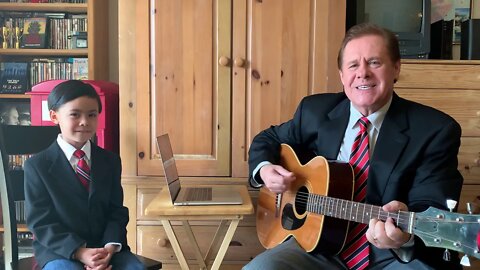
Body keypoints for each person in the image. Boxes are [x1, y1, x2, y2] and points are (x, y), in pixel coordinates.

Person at [245, 23, 463, 270]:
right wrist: (264, 169)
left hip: (392, 254)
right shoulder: (315, 111)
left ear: (396, 68)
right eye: (353, 65)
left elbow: (431, 204)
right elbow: (268, 139)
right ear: (342, 75)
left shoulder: (435, 130)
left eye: (374, 63)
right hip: (317, 246)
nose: (363, 73)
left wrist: (404, 237)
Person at [24, 80, 145, 270]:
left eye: (92, 115)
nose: (84, 122)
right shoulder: (37, 166)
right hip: (60, 250)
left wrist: (108, 249)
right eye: (75, 114)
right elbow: (41, 222)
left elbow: (117, 212)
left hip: (105, 248)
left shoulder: (110, 161)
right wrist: (80, 252)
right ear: (54, 116)